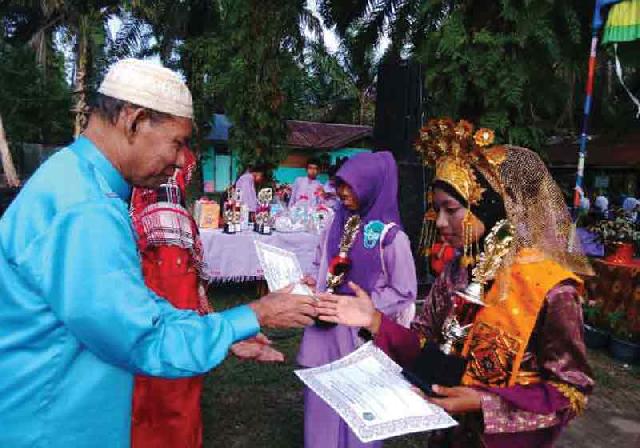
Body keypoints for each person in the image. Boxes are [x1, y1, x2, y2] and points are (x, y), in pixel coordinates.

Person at [0, 58, 317, 447]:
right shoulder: (86, 209)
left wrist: (224, 331)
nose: (181, 161)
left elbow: (130, 306)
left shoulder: (74, 180)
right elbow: (143, 339)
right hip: (52, 427)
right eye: (178, 142)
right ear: (134, 121)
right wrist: (257, 312)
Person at [317, 119, 594, 448]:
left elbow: (570, 390)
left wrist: (483, 402)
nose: (442, 223)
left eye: (451, 210)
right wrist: (375, 321)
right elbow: (425, 346)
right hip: (448, 432)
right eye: (436, 211)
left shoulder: (550, 287)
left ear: (488, 207)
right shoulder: (458, 271)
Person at [130, 148, 284, 448]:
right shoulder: (168, 222)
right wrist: (217, 329)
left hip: (156, 331)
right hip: (172, 336)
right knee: (171, 406)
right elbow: (176, 293)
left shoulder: (139, 213)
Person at [298, 151, 417, 448]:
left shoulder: (391, 238)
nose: (343, 193)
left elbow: (404, 291)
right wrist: (315, 281)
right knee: (322, 399)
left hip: (359, 336)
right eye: (341, 184)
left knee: (358, 405)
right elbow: (320, 262)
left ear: (373, 187)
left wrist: (362, 306)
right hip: (324, 331)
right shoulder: (335, 222)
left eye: (352, 186)